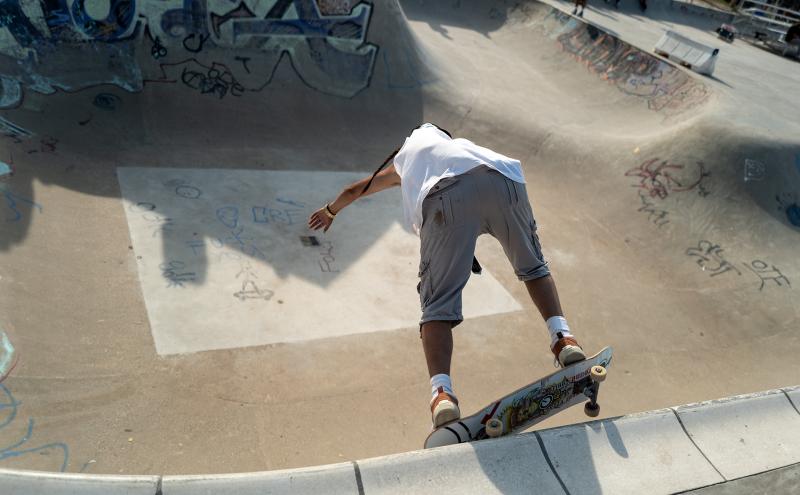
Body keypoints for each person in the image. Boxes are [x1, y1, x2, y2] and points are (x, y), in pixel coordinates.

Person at [308, 123, 586, 428]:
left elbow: (354, 190)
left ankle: (442, 394)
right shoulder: (460, 147)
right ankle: (563, 338)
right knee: (534, 268)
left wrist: (330, 211)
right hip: (503, 179)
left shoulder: (405, 159)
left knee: (438, 305)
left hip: (447, 197)